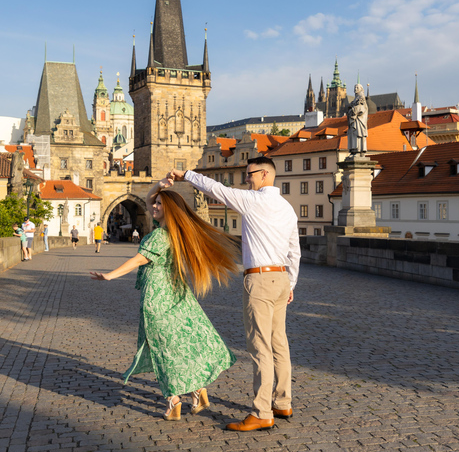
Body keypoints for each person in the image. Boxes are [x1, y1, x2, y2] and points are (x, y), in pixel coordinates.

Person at [169, 156, 301, 432]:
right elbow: (294, 251)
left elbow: (216, 189)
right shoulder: (288, 208)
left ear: (264, 174)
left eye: (250, 174)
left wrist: (187, 175)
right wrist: (290, 284)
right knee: (279, 343)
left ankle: (263, 411)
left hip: (260, 281)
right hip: (280, 278)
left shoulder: (254, 201)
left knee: (260, 346)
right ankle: (283, 401)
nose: (247, 180)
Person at [90, 178, 239, 421]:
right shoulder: (174, 234)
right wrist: (159, 185)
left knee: (163, 350)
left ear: (168, 209)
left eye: (159, 204)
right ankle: (198, 391)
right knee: (180, 345)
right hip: (177, 295)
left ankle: (173, 400)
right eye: (155, 202)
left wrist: (110, 275)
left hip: (157, 299)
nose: (153, 206)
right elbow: (148, 200)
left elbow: (138, 260)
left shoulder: (159, 236)